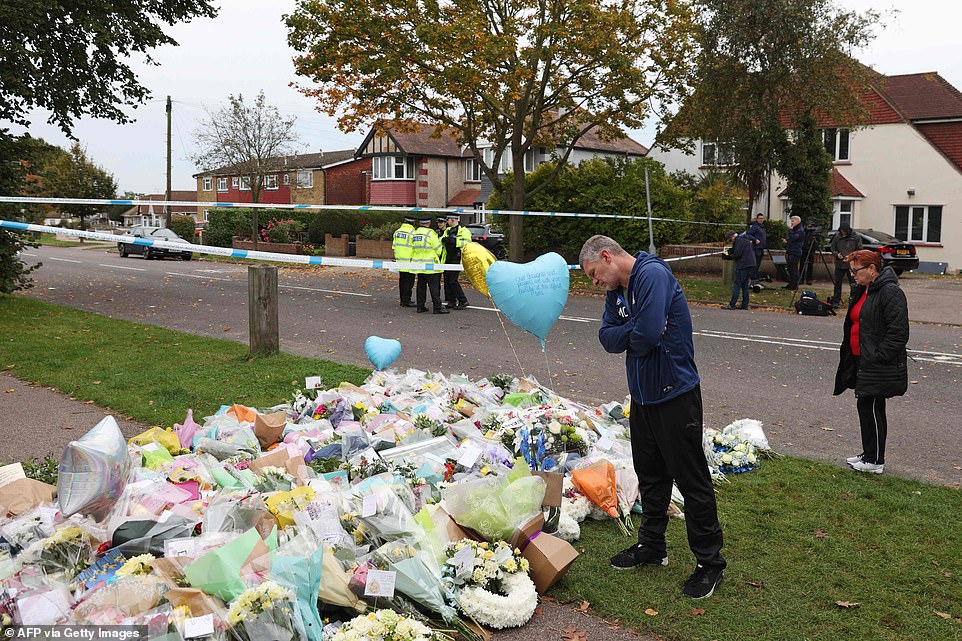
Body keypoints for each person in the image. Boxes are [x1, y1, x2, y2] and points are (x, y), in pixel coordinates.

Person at [579, 235, 726, 599]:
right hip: (643, 399)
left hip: (675, 394)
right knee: (652, 477)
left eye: (594, 273)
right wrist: (639, 328)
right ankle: (652, 547)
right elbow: (608, 338)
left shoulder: (652, 275)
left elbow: (644, 338)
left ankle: (710, 563)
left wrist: (639, 331)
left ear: (607, 256)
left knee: (691, 481)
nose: (594, 281)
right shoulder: (616, 292)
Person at [834, 249, 908, 474]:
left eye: (856, 270)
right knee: (866, 405)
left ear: (872, 269)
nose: (853, 275)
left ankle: (875, 461)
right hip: (861, 360)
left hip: (877, 363)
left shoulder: (890, 292)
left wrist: (878, 356)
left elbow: (898, 332)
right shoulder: (864, 290)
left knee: (873, 407)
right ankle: (869, 454)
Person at [410, 216, 448, 314]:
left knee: (420, 287)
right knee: (434, 287)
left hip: (419, 265)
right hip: (431, 265)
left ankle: (420, 307)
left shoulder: (415, 233)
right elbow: (438, 248)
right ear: (428, 223)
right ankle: (437, 308)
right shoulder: (430, 233)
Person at [441, 214, 471, 310]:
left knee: (453, 281)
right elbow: (441, 239)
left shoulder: (464, 231)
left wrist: (455, 241)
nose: (447, 221)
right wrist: (444, 239)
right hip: (448, 258)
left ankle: (463, 300)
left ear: (453, 220)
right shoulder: (448, 230)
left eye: (448, 220)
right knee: (447, 281)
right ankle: (451, 301)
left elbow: (467, 243)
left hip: (457, 258)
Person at [829, 223, 862, 306]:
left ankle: (853, 300)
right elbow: (833, 248)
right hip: (840, 264)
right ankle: (836, 301)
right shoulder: (837, 236)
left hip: (851, 264)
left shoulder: (856, 237)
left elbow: (859, 250)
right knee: (837, 283)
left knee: (853, 284)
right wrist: (837, 254)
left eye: (844, 231)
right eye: (842, 231)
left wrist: (852, 256)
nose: (843, 233)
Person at [722, 230, 756, 310]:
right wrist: (730, 251)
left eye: (730, 239)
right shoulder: (743, 239)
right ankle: (745, 304)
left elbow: (738, 253)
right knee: (744, 285)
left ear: (732, 237)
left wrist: (729, 256)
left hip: (743, 265)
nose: (731, 241)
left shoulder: (739, 241)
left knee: (736, 284)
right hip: (750, 264)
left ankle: (732, 304)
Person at [392, 216, 417, 307]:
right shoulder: (413, 233)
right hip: (409, 261)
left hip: (399, 260)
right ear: (413, 223)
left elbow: (394, 246)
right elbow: (416, 247)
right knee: (409, 282)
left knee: (402, 281)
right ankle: (407, 300)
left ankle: (402, 300)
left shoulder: (397, 232)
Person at [784, 215, 805, 290]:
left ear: (797, 221)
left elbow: (793, 238)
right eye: (791, 221)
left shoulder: (800, 230)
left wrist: (790, 231)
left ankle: (794, 285)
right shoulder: (795, 230)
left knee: (794, 269)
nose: (791, 223)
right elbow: (790, 239)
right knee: (790, 268)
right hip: (790, 250)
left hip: (795, 252)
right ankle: (791, 283)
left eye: (793, 221)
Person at [744, 213, 767, 280]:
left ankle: (755, 276)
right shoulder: (755, 226)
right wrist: (755, 239)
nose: (761, 220)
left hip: (761, 247)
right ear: (757, 219)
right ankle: (752, 276)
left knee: (758, 263)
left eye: (762, 218)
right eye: (760, 218)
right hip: (756, 248)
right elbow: (748, 234)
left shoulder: (762, 227)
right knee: (755, 263)